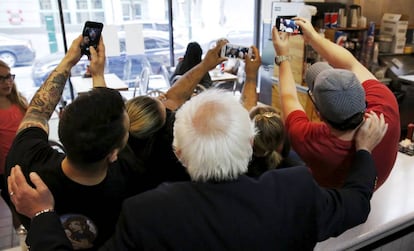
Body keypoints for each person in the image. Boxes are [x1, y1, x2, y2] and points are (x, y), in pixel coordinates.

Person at [8, 88, 388, 250]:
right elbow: (357, 203)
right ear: (250, 142)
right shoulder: (294, 191)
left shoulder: (146, 214)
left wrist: (42, 215)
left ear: (179, 151)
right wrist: (364, 150)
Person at [4, 35, 143, 250]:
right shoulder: (128, 175)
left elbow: (39, 111)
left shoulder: (27, 163)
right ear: (113, 153)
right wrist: (98, 75)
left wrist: (69, 60)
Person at [271, 18, 400, 189]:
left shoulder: (311, 140)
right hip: (375, 189)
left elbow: (288, 97)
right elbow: (351, 63)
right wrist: (315, 38)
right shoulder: (385, 103)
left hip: (336, 204)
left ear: (318, 113)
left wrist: (282, 54)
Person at [120, 39, 228, 190]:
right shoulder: (174, 154)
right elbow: (174, 97)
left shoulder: (119, 156)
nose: (163, 96)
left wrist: (205, 64)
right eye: (161, 101)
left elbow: (173, 97)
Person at [240, 45, 302, 177]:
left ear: (250, 141)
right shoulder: (297, 171)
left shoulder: (240, 173)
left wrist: (251, 75)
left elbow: (246, 113)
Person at [0, 59, 28, 229]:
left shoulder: (20, 102)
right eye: (1, 78)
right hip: (5, 171)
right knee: (16, 207)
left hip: (27, 162)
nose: (8, 81)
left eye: (9, 76)